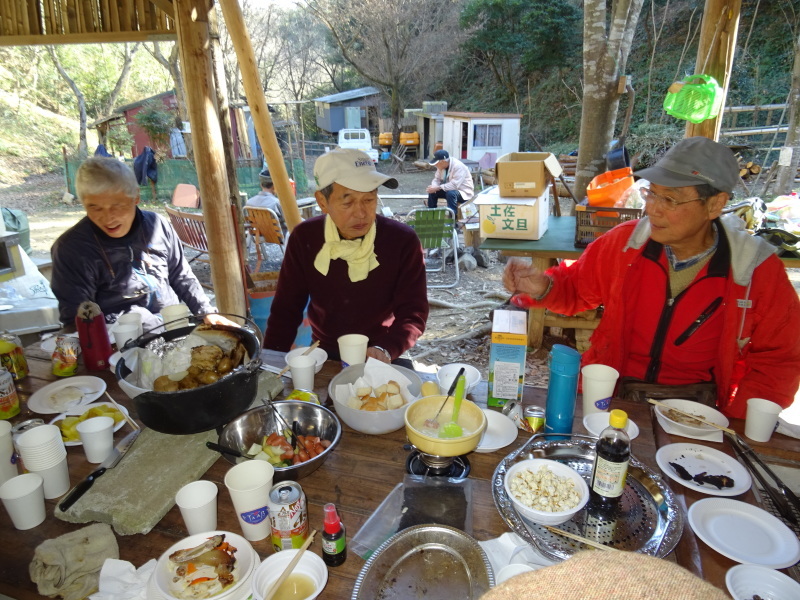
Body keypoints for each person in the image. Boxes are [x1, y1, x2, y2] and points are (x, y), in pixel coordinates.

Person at [504, 136, 800, 419]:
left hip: (698, 407)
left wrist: (734, 424)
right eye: (652, 193)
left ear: (715, 204)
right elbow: (576, 288)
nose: (652, 208)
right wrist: (544, 287)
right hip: (612, 389)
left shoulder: (754, 268)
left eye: (670, 199)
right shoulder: (625, 244)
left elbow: (779, 361)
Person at [263, 148, 428, 363]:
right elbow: (286, 308)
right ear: (322, 202)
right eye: (348, 202)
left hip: (382, 352)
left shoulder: (402, 241)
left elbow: (413, 312)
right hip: (324, 353)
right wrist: (270, 359)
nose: (361, 213)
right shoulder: (305, 238)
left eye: (369, 200)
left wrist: (387, 348)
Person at [51, 157, 220, 332]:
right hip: (119, 344)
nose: (108, 217)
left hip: (174, 328)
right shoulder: (71, 249)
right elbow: (76, 319)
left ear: (136, 197)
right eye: (95, 208)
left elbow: (180, 274)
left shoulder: (158, 226)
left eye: (117, 205)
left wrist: (206, 311)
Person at [426, 149, 474, 217]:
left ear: (442, 161)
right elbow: (436, 179)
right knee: (432, 192)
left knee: (451, 194)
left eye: (436, 163)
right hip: (448, 189)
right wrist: (434, 187)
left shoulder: (458, 166)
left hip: (463, 192)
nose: (435, 165)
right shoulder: (441, 167)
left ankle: (452, 218)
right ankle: (431, 216)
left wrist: (438, 187)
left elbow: (454, 185)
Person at [245, 169, 287, 235]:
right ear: (274, 186)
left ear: (261, 185)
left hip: (261, 238)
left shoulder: (249, 203)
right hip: (280, 238)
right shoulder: (276, 203)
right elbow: (292, 221)